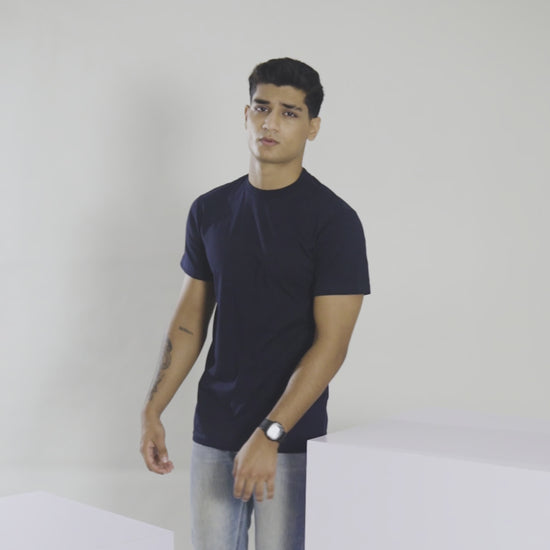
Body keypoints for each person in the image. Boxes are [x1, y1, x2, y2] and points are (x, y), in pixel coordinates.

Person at [140, 57, 370, 550]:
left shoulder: (335, 222)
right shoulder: (210, 210)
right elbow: (189, 324)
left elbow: (332, 345)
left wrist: (270, 434)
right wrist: (153, 409)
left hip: (290, 439)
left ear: (312, 127)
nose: (271, 122)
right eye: (262, 108)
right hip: (216, 430)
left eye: (289, 112)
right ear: (245, 114)